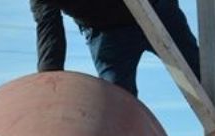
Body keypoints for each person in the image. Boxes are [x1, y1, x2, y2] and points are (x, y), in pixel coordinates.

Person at [29, 0, 201, 98]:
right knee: (117, 102)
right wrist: (49, 86)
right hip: (107, 34)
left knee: (199, 77)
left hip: (157, 11)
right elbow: (48, 25)